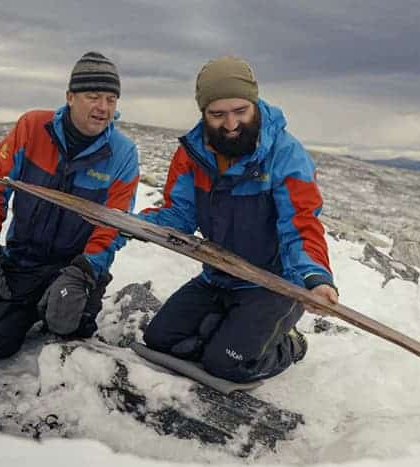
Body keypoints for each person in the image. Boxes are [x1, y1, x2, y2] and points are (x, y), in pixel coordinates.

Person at [139, 56, 337, 383]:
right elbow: (180, 215)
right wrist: (135, 223)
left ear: (255, 105)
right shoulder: (193, 155)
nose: (230, 124)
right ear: (203, 114)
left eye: (240, 111)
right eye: (218, 115)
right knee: (161, 340)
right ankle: (228, 328)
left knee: (227, 365)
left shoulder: (286, 155)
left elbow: (301, 224)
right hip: (219, 278)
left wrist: (314, 277)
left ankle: (291, 345)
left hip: (274, 285)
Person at [0, 51, 139, 359]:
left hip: (75, 267)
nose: (103, 108)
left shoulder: (122, 153)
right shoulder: (32, 127)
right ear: (70, 97)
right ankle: (29, 306)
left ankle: (62, 305)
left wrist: (84, 271)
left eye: (111, 99)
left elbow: (115, 224)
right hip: (23, 260)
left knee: (67, 329)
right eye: (93, 97)